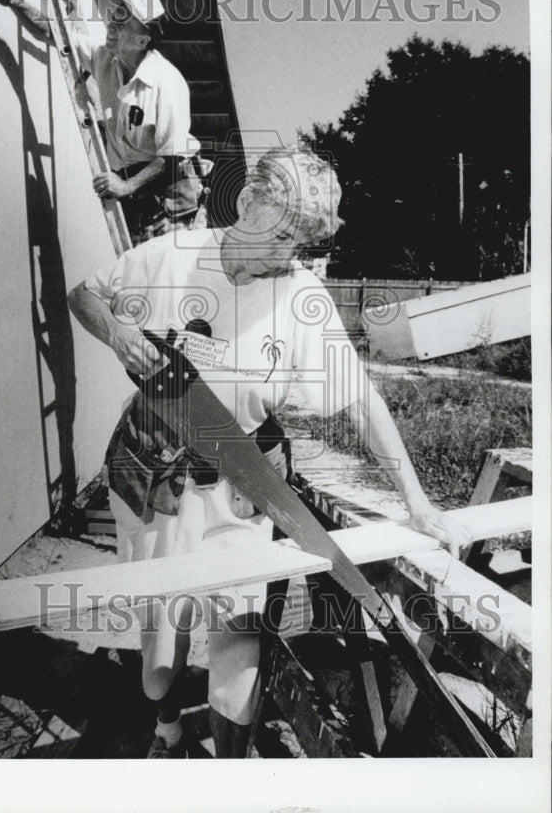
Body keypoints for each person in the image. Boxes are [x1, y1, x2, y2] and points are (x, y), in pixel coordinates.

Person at [67, 145, 471, 758]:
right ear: (247, 202)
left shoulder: (302, 295)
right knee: (159, 660)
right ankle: (167, 723)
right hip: (155, 476)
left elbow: (360, 400)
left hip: (242, 485)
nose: (288, 255)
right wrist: (119, 332)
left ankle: (230, 772)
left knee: (239, 644)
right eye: (282, 235)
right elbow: (84, 295)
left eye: (300, 244)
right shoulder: (170, 255)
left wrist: (417, 503)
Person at [0, 0, 209, 244]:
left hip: (172, 187)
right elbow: (53, 32)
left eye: (124, 22)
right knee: (137, 263)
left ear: (142, 40)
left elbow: (172, 156)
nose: (113, 23)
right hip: (136, 189)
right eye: (117, 13)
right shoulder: (103, 57)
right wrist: (12, 0)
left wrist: (127, 186)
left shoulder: (167, 82)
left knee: (166, 263)